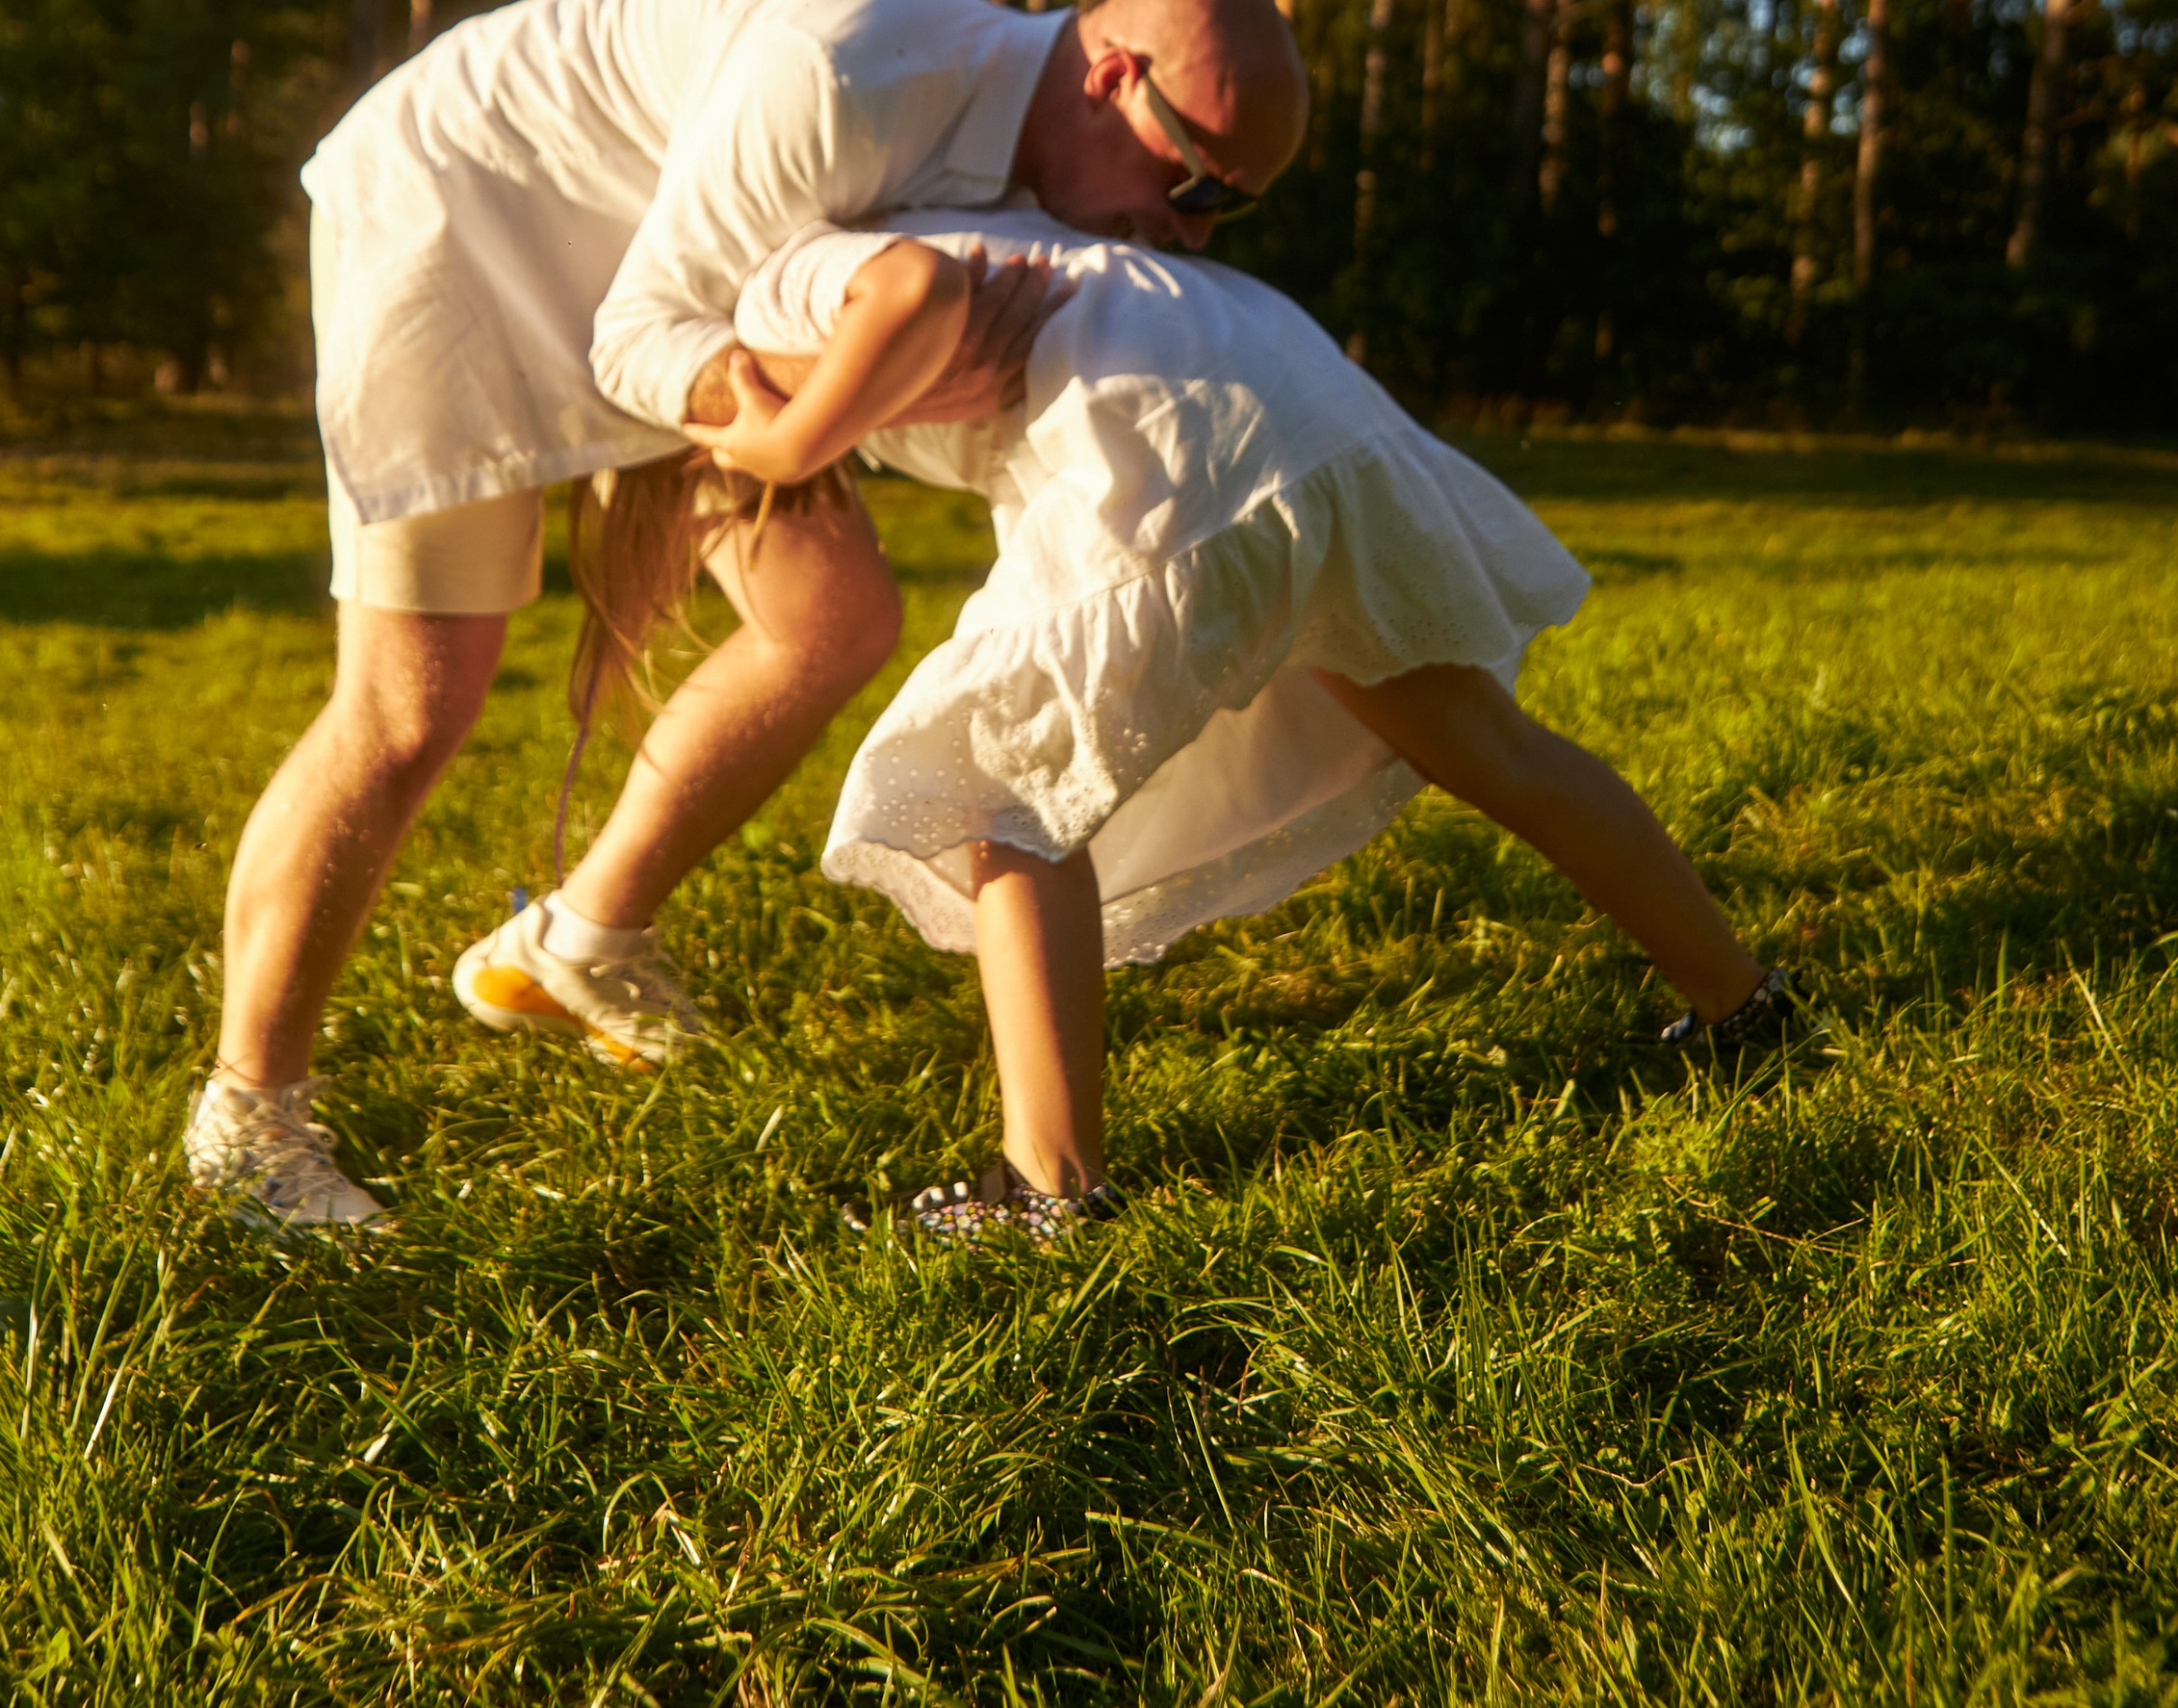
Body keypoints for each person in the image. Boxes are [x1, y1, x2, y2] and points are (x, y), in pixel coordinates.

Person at [183, 0, 1309, 1233]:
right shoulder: (849, 71)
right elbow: (639, 339)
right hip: (461, 216)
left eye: (1233, 211)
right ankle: (247, 1115)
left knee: (833, 617)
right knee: (412, 700)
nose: (1191, 231)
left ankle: (582, 942)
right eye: (1192, 182)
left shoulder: (1028, 158)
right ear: (1112, 75)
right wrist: (815, 424)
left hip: (658, 282)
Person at [509, 196, 1796, 1245]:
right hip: (1304, 404)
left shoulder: (784, 280)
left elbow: (902, 303)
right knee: (1484, 741)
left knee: (996, 794)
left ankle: (1049, 1192)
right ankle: (1743, 1003)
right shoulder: (993, 221)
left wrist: (773, 447)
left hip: (1176, 443)